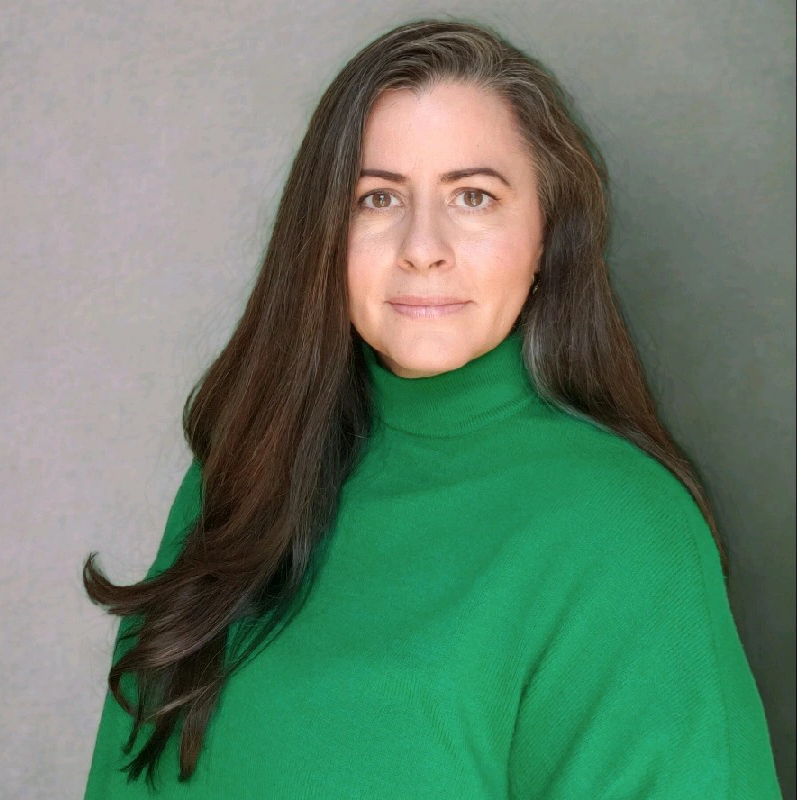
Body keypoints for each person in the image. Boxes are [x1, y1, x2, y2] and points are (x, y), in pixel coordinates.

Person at [82, 18, 782, 799]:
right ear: (324, 235)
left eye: (473, 197)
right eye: (378, 198)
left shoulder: (624, 531)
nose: (422, 247)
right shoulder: (246, 471)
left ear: (547, 235)